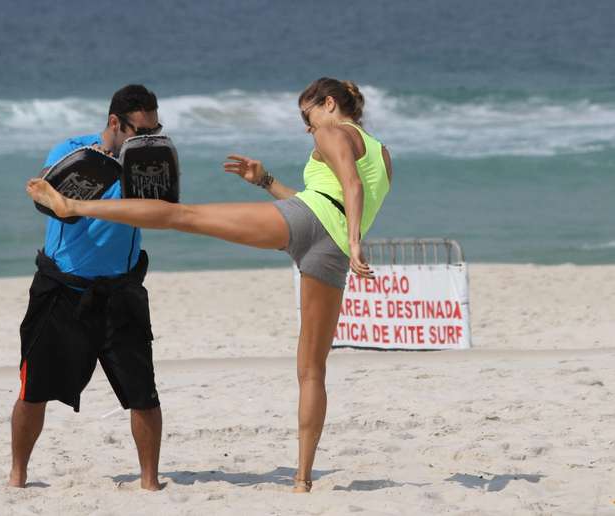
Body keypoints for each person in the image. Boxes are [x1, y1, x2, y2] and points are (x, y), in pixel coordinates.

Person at [26, 77, 393, 493]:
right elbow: (330, 201)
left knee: (185, 215)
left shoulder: (332, 130)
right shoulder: (383, 154)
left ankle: (72, 204)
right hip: (332, 245)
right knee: (312, 369)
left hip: (319, 228)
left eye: (307, 117)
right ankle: (302, 480)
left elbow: (350, 184)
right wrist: (266, 182)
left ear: (328, 103)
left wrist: (360, 243)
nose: (309, 128)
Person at [10, 84, 165, 491]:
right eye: (140, 131)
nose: (148, 139)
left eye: (155, 130)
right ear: (115, 122)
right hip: (63, 291)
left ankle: (150, 482)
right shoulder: (72, 149)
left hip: (122, 292)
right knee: (33, 391)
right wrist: (78, 173)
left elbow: (163, 212)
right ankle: (17, 476)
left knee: (143, 394)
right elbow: (46, 193)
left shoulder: (147, 163)